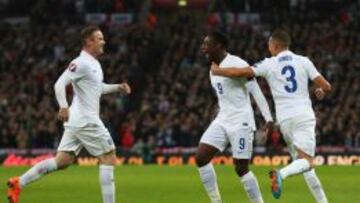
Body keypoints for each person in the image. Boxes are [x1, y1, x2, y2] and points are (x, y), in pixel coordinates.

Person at [7, 26, 131, 203]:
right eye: (99, 38)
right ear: (89, 41)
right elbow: (59, 84)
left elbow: (98, 88)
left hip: (77, 121)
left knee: (62, 161)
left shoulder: (94, 64)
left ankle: (19, 183)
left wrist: (117, 87)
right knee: (108, 156)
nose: (104, 41)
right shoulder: (80, 62)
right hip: (86, 120)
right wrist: (63, 106)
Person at [211, 29, 330, 203]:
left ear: (275, 45)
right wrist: (321, 91)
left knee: (304, 166)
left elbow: (241, 72)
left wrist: (219, 71)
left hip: (285, 120)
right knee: (308, 162)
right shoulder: (304, 61)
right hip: (303, 115)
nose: (268, 48)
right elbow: (326, 85)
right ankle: (280, 174)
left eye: (269, 45)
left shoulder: (269, 63)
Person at [196, 31, 274, 203]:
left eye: (206, 44)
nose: (203, 48)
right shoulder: (212, 69)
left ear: (219, 46)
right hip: (223, 119)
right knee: (201, 158)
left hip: (241, 121)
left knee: (241, 168)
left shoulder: (237, 63)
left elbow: (256, 91)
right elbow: (224, 97)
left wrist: (268, 118)